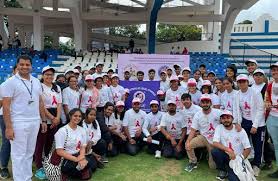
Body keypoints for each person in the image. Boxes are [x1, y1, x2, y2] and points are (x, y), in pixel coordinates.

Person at [2, 55, 47, 181]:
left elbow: (40, 102)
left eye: (27, 64)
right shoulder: (10, 82)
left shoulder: (36, 81)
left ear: (31, 66)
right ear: (17, 65)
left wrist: (43, 120)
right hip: (18, 122)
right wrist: (9, 127)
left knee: (29, 153)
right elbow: (6, 107)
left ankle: (27, 178)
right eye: (22, 64)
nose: (24, 67)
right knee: (18, 155)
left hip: (34, 121)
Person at [234, 74, 265, 176]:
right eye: (240, 82)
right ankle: (244, 162)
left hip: (258, 123)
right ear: (237, 83)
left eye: (244, 81)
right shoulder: (237, 94)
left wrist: (255, 125)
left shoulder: (255, 92)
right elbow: (236, 110)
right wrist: (237, 123)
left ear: (248, 82)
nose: (242, 83)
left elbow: (261, 109)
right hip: (245, 122)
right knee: (243, 144)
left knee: (258, 145)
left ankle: (256, 165)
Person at [34, 66, 62, 180]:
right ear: (43, 75)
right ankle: (39, 166)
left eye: (51, 74)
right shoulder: (39, 86)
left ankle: (46, 162)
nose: (49, 76)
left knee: (50, 143)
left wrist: (57, 118)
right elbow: (41, 105)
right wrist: (51, 117)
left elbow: (59, 103)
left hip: (55, 115)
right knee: (41, 142)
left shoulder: (57, 87)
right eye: (47, 74)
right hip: (43, 116)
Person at [54, 108, 96, 180]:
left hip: (78, 155)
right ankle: (72, 173)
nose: (78, 118)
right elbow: (59, 151)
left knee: (92, 164)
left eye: (79, 116)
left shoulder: (82, 130)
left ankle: (81, 171)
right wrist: (76, 159)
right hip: (66, 157)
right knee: (80, 169)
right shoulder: (62, 131)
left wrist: (81, 157)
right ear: (70, 116)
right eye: (75, 116)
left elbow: (83, 146)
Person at [185, 94, 221, 172]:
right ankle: (193, 162)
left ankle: (209, 154)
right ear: (200, 103)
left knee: (213, 166)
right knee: (189, 145)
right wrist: (187, 142)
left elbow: (226, 123)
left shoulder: (218, 112)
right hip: (203, 137)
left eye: (207, 102)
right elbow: (193, 130)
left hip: (215, 140)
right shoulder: (198, 115)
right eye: (203, 102)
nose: (205, 104)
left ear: (210, 103)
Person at [212, 110, 251, 181]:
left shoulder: (240, 130)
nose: (226, 120)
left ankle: (230, 170)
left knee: (234, 179)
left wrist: (240, 159)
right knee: (215, 151)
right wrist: (228, 150)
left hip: (237, 159)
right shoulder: (219, 127)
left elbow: (248, 148)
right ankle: (223, 170)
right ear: (220, 120)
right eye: (223, 118)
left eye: (228, 117)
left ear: (232, 119)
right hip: (226, 155)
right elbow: (215, 142)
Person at [264, 62, 278, 178]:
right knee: (276, 144)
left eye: (277, 70)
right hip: (272, 117)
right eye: (273, 70)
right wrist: (267, 104)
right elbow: (267, 99)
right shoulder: (270, 85)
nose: (275, 72)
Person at [0, 85, 10, 179]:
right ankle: (4, 167)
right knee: (7, 142)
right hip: (5, 116)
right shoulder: (5, 85)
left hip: (22, 117)